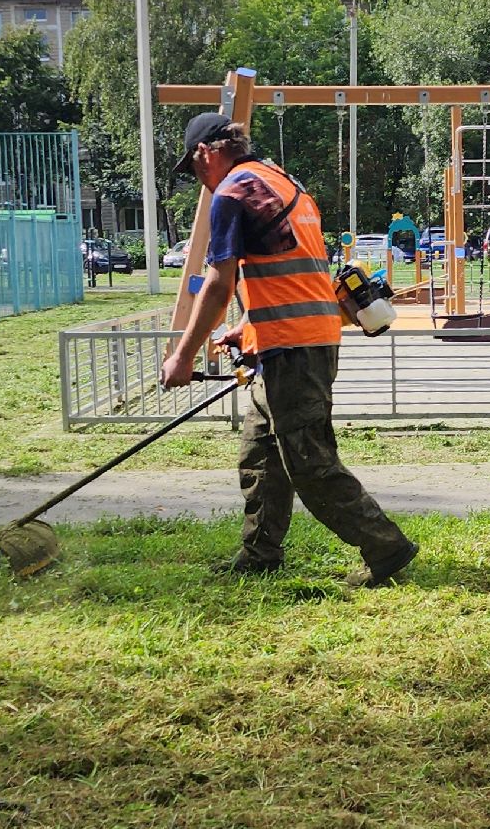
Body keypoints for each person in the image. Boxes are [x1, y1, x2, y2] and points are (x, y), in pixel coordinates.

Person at [159, 112, 419, 586]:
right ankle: (259, 553)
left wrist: (182, 355)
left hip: (293, 350)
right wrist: (249, 324)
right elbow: (295, 273)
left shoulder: (233, 192)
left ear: (206, 153)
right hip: (303, 338)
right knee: (261, 456)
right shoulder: (286, 184)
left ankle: (387, 548)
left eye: (194, 171)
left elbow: (218, 284)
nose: (200, 182)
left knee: (310, 462)